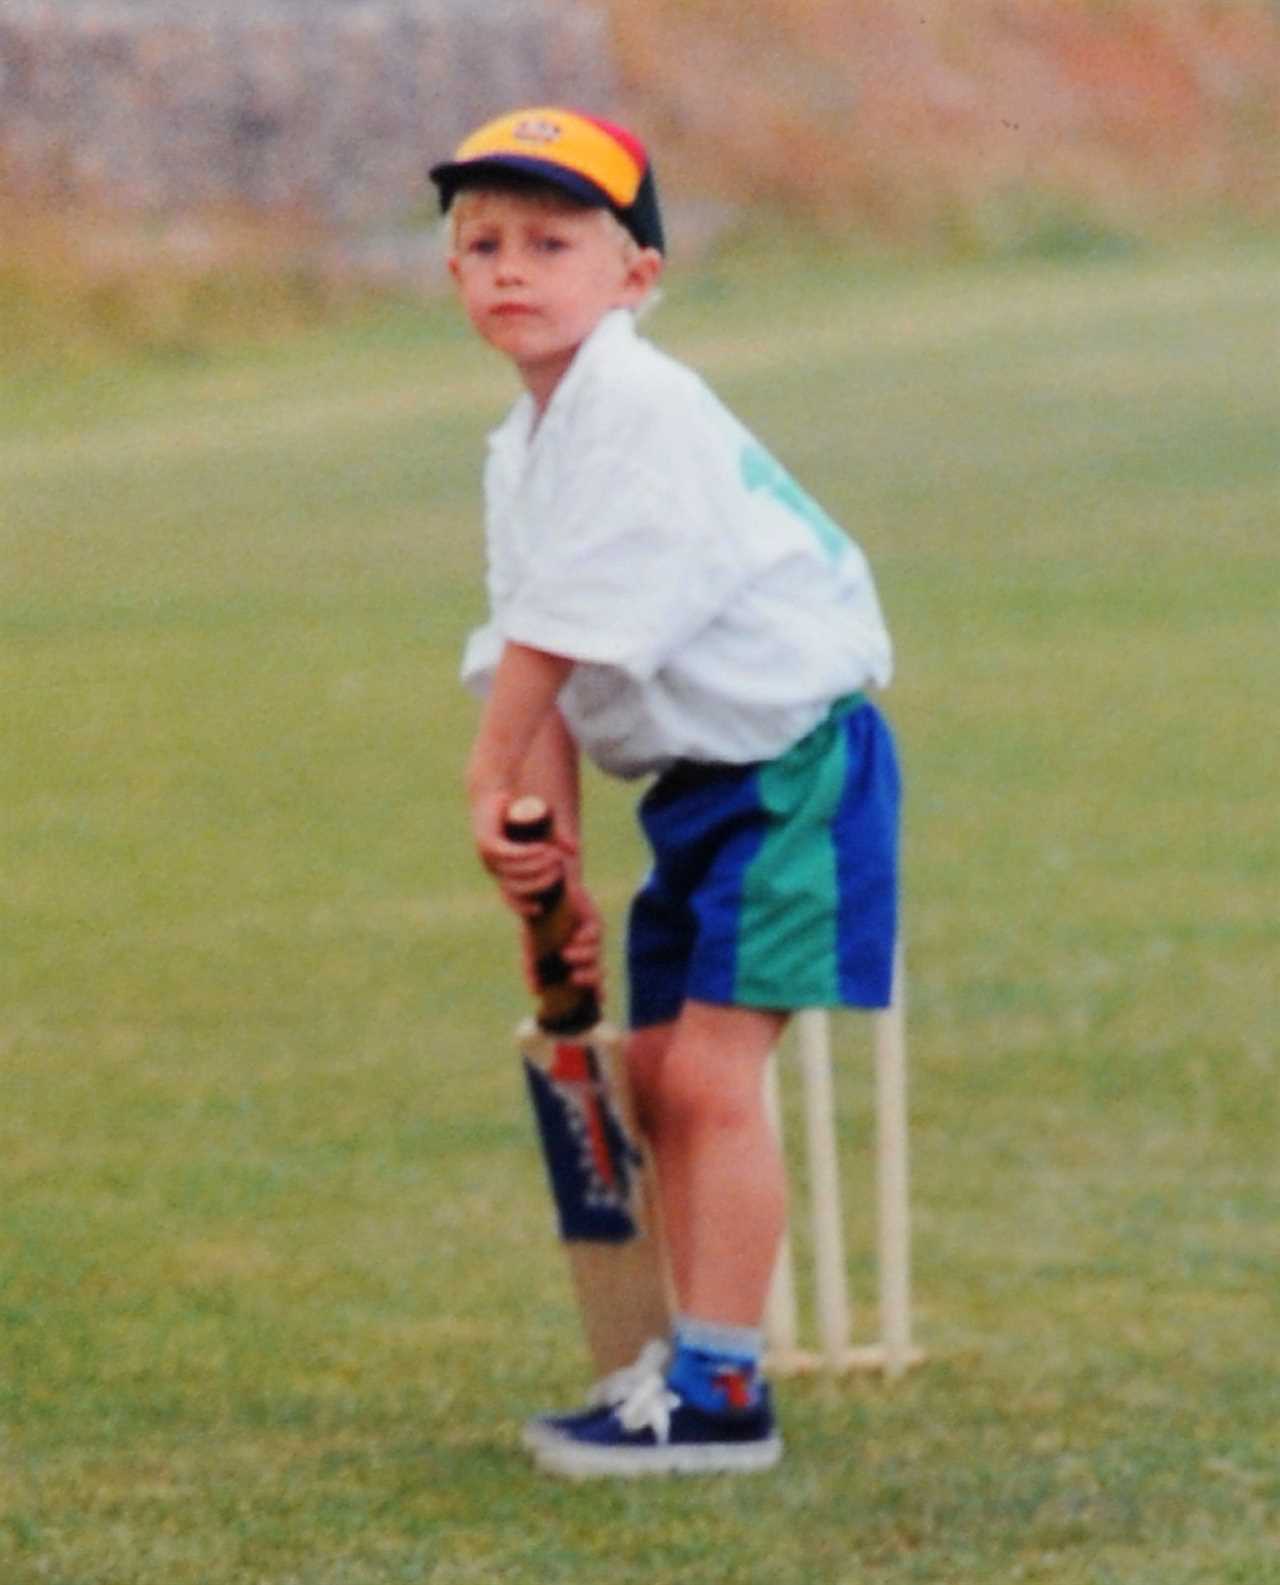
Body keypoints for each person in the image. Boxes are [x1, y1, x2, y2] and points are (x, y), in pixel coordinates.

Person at [430, 107, 900, 1478]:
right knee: (653, 1077)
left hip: (794, 763)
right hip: (698, 789)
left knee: (703, 1076)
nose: (512, 268)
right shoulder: (527, 444)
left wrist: (483, 774)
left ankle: (721, 1391)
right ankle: (695, 1356)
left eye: (553, 243)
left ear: (634, 276)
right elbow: (541, 644)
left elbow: (570, 627)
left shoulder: (639, 403)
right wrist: (550, 840)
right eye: (482, 244)